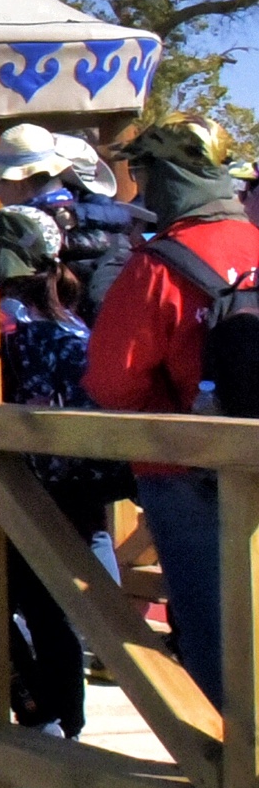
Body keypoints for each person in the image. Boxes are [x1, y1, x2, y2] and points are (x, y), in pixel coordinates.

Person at [83, 116, 259, 705]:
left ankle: (230, 782)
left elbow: (113, 384)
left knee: (215, 628)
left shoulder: (159, 264)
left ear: (166, 176)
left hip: (187, 472)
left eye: (142, 171)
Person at [0, 205, 123, 736]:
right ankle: (64, 721)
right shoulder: (71, 321)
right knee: (51, 609)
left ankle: (37, 711)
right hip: (77, 486)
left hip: (9, 485)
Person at [49, 130, 152, 320]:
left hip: (105, 263)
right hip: (88, 268)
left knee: (100, 306)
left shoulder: (89, 197)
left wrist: (76, 214)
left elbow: (122, 215)